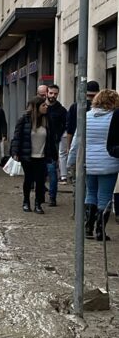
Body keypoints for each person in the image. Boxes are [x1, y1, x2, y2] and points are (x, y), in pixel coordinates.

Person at [68, 88, 119, 241]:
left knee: (90, 193)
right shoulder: (114, 118)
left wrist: (71, 162)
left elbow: (77, 141)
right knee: (104, 196)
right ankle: (100, 230)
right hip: (109, 163)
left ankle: (88, 227)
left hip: (88, 163)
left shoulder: (86, 117)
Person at [11, 96, 56, 214]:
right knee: (29, 179)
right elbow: (17, 137)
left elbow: (51, 139)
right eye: (43, 105)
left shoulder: (47, 120)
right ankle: (26, 202)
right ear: (37, 107)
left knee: (40, 181)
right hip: (28, 156)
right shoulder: (24, 119)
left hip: (42, 156)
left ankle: (38, 204)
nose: (46, 107)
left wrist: (53, 155)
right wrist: (15, 152)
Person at [43, 84, 67, 206]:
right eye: (51, 93)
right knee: (40, 171)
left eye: (55, 93)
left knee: (52, 171)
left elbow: (66, 125)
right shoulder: (41, 107)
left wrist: (59, 136)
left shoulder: (61, 110)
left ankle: (52, 197)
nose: (53, 95)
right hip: (40, 143)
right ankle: (41, 194)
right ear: (47, 93)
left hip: (53, 144)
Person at [65, 80, 100, 150]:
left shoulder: (76, 106)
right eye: (89, 96)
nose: (90, 99)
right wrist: (68, 147)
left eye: (93, 96)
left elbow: (70, 130)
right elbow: (70, 129)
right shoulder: (75, 107)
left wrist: (68, 147)